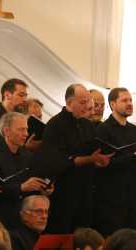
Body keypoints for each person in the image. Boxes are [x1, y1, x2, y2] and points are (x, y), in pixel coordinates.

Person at [42, 83, 111, 233]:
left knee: (83, 236)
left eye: (88, 101)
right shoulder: (55, 125)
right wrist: (90, 159)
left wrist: (99, 161)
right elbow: (58, 161)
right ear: (68, 102)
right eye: (83, 102)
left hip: (85, 191)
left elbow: (90, 153)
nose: (87, 107)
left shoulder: (87, 125)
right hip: (63, 193)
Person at [0, 112, 51, 229]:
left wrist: (43, 189)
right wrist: (21, 187)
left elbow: (31, 183)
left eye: (26, 130)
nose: (26, 134)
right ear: (7, 131)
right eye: (21, 130)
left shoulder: (27, 155)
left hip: (23, 216)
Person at [93, 87, 136, 237]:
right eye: (124, 100)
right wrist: (131, 156)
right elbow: (102, 164)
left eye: (130, 100)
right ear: (112, 104)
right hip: (111, 199)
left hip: (133, 196)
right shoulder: (103, 129)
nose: (129, 103)